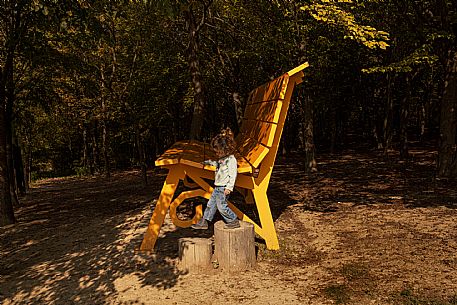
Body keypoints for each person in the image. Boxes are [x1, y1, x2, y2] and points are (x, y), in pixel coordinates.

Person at [191, 127, 240, 230]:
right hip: (217, 187)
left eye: (218, 152)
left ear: (225, 149)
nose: (217, 154)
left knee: (222, 206)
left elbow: (233, 174)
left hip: (223, 188)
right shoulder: (222, 158)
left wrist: (229, 187)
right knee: (210, 205)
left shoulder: (231, 160)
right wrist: (208, 162)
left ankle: (233, 220)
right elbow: (217, 164)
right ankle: (204, 222)